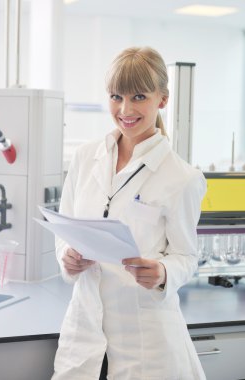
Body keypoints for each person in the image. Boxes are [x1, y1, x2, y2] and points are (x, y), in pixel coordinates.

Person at [51, 46, 207, 380]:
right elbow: (64, 234)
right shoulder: (84, 158)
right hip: (84, 332)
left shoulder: (182, 177)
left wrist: (163, 272)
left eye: (138, 96)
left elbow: (186, 256)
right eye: (115, 96)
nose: (125, 109)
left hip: (147, 341)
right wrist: (68, 257)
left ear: (161, 100)